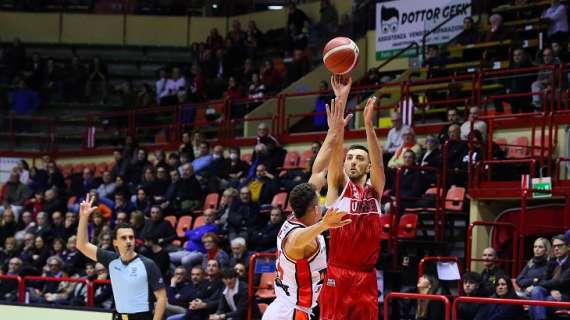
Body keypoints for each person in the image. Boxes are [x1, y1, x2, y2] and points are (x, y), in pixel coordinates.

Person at [319, 75, 385, 320]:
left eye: (359, 158)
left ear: (367, 167)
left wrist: (369, 125)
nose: (353, 161)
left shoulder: (375, 191)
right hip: (339, 273)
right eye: (350, 157)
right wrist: (342, 99)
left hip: (366, 276)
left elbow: (379, 162)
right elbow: (336, 151)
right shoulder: (337, 186)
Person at [262, 183, 350, 320]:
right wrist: (324, 224)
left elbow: (317, 172)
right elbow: (295, 241)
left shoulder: (294, 218)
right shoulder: (299, 239)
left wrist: (335, 160)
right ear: (316, 209)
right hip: (291, 312)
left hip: (283, 308)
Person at [76, 194, 167, 320]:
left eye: (131, 237)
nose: (129, 241)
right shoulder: (111, 260)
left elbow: (162, 298)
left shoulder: (148, 264)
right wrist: (84, 217)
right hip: (120, 316)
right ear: (115, 242)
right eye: (124, 238)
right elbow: (82, 245)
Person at [528, 234, 570, 320]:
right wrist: (551, 289)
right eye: (554, 246)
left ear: (568, 247)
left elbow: (560, 282)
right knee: (537, 291)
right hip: (551, 293)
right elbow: (544, 278)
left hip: (565, 296)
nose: (556, 248)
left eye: (560, 246)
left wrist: (538, 283)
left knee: (535, 302)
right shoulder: (552, 261)